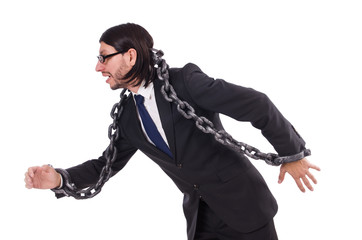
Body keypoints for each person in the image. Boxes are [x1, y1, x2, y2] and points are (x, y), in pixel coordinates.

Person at [24, 23, 320, 240]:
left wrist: (290, 153)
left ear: (130, 56)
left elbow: (256, 104)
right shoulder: (127, 117)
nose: (98, 67)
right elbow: (105, 165)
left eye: (104, 57)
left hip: (244, 207)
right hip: (199, 218)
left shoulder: (185, 82)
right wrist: (60, 179)